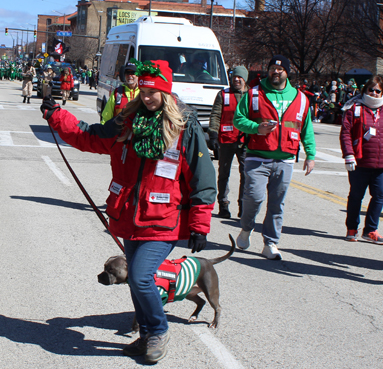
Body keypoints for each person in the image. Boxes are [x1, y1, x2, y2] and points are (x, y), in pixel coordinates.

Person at [40, 59, 216, 364]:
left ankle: (159, 331)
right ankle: (147, 336)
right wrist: (56, 116)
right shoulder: (128, 121)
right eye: (143, 91)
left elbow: (203, 176)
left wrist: (200, 224)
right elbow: (90, 136)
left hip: (163, 221)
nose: (146, 97)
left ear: (165, 90)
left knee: (139, 276)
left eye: (153, 92)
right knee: (137, 280)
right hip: (129, 217)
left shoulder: (183, 127)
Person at [233, 55, 316, 260]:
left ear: (287, 72)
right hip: (257, 157)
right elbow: (238, 119)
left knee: (277, 204)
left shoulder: (300, 98)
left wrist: (310, 154)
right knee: (254, 197)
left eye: (280, 69)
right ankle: (246, 229)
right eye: (272, 68)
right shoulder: (253, 94)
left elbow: (306, 128)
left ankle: (270, 243)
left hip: (285, 159)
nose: (275, 72)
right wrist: (256, 128)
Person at [340, 75, 383, 245]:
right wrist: (349, 154)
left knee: (379, 196)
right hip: (360, 162)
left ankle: (371, 229)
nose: (374, 93)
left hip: (382, 164)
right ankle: (352, 228)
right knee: (356, 196)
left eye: (378, 90)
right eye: (370, 89)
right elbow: (346, 133)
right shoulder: (354, 108)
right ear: (364, 91)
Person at [208, 66, 249, 218]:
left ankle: (243, 204)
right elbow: (216, 115)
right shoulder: (223, 95)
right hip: (226, 140)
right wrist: (213, 134)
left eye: (240, 77)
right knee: (224, 173)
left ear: (245, 78)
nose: (236, 80)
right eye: (234, 77)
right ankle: (223, 204)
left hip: (245, 141)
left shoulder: (252, 95)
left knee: (246, 174)